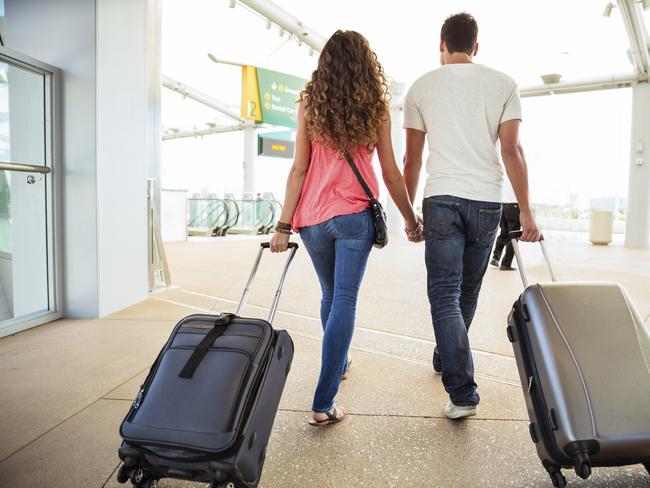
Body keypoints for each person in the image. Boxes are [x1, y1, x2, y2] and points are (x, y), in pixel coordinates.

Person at [269, 30, 423, 427]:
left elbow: (299, 168)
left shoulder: (309, 106)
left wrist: (283, 225)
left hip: (313, 219)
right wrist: (409, 217)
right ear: (365, 65)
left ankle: (338, 363)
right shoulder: (375, 107)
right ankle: (323, 403)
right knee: (345, 301)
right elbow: (390, 173)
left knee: (330, 295)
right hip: (354, 216)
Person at [402, 12, 540, 420]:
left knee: (444, 293)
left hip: (441, 197)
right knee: (466, 292)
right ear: (476, 46)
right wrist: (527, 211)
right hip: (486, 201)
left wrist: (409, 215)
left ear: (441, 44)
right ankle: (450, 359)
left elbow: (412, 159)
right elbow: (512, 151)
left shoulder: (422, 86)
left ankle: (462, 392)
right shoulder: (503, 84)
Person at [491, 179, 521, 271]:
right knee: (513, 236)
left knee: (503, 233)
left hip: (504, 205)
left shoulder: (507, 175)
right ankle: (505, 264)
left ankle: (496, 257)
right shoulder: (519, 173)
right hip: (514, 205)